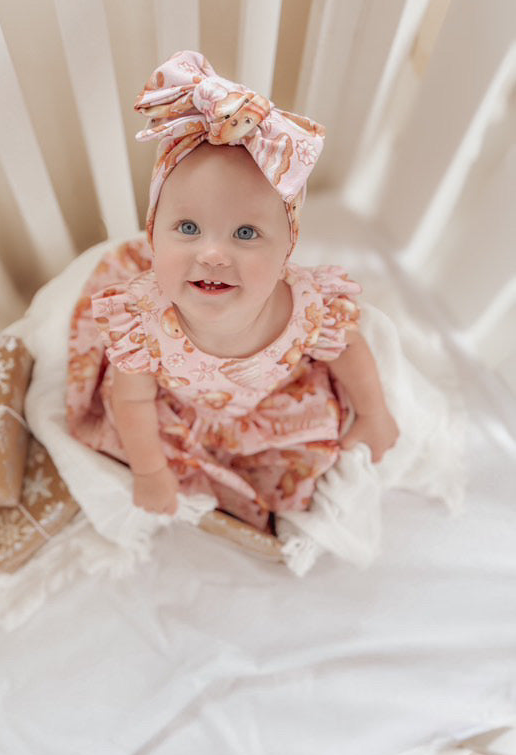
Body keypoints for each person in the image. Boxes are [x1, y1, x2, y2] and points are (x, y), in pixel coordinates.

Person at [67, 50, 398, 544]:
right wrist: (151, 470)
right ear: (153, 234)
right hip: (179, 412)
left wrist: (373, 412)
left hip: (270, 404)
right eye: (188, 228)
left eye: (246, 233)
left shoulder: (308, 309)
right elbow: (132, 399)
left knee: (303, 472)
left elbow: (349, 350)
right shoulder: (144, 324)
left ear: (289, 249)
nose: (214, 254)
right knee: (117, 443)